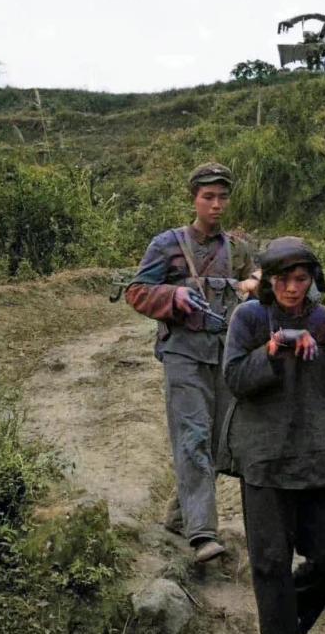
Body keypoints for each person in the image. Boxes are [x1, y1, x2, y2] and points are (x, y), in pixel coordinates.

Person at [221, 236, 325, 634]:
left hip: (316, 452)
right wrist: (274, 349)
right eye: (283, 279)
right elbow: (235, 379)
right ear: (268, 281)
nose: (293, 288)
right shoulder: (249, 318)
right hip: (264, 455)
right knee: (270, 563)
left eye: (301, 278)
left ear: (312, 279)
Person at [125, 162, 258, 562]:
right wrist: (172, 297)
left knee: (218, 442)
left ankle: (179, 517)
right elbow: (136, 291)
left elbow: (259, 277)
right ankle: (203, 533)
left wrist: (253, 281)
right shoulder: (167, 244)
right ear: (194, 199)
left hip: (224, 354)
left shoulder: (237, 248)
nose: (216, 205)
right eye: (208, 197)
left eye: (222, 197)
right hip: (183, 352)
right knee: (193, 434)